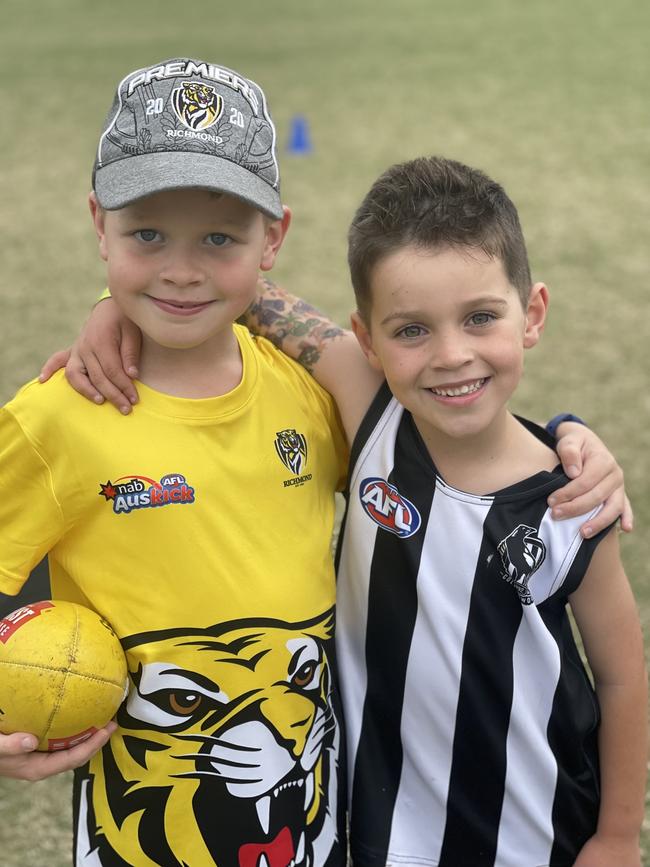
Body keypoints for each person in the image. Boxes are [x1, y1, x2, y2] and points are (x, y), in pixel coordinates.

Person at [41, 157, 640, 866]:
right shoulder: (371, 414)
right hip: (373, 841)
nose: (451, 355)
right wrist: (113, 306)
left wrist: (616, 835)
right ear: (366, 338)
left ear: (531, 313)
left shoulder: (573, 502)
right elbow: (224, 282)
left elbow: (622, 676)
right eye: (411, 330)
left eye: (480, 317)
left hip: (535, 838)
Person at [0, 57, 351, 867]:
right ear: (98, 224)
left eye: (220, 237)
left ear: (276, 239)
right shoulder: (58, 417)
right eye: (147, 233)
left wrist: (570, 443)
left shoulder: (311, 400)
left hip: (310, 830)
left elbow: (441, 434)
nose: (182, 269)